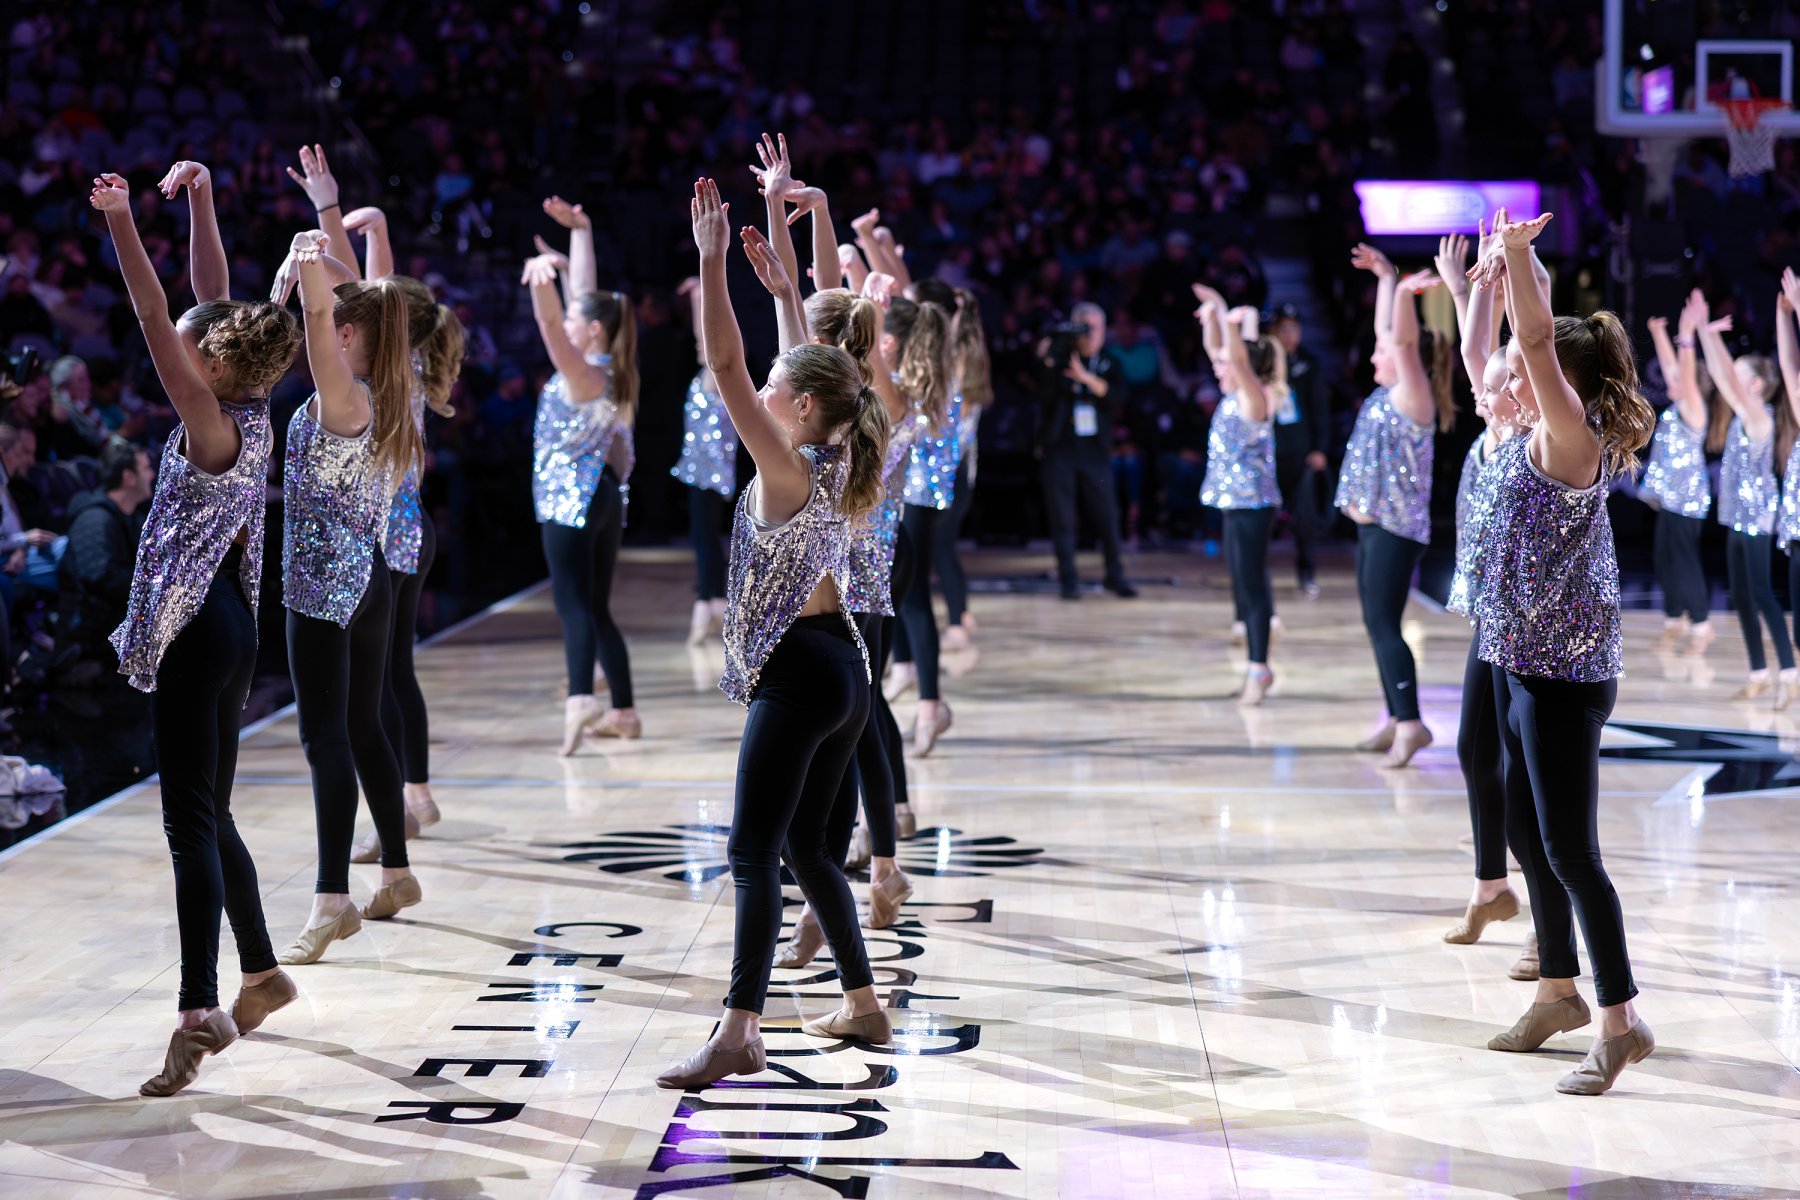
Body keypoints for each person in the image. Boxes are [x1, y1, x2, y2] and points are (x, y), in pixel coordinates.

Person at [657, 178, 891, 1090]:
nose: (762, 387)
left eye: (774, 387)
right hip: (843, 672)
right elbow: (817, 370)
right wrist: (788, 291)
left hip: (799, 676)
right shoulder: (837, 446)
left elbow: (724, 365)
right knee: (809, 848)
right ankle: (863, 1002)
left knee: (752, 854)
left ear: (795, 409)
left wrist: (712, 261)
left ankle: (739, 1032)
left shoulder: (789, 464)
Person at [91, 162, 302, 1097]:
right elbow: (207, 302)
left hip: (197, 628)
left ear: (210, 367)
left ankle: (196, 1008)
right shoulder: (251, 407)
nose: (180, 340)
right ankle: (262, 972)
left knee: (188, 825)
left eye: (190, 347)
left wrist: (121, 220)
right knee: (212, 815)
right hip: (231, 629)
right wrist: (204, 200)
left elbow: (153, 313)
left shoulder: (212, 422)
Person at [1466, 211, 1656, 1096]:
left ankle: (1621, 1020)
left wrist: (1520, 258)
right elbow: (1518, 344)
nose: (1506, 381)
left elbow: (1538, 342)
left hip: (1565, 675)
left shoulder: (1566, 440)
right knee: (1527, 835)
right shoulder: (1518, 432)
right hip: (1518, 658)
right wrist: (1500, 281)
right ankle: (1556, 991)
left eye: (1521, 376)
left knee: (1572, 851)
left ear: (1559, 390)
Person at [276, 234, 424, 965]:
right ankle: (396, 872)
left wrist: (308, 268)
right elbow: (363, 301)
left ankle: (331, 897)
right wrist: (314, 255)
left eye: (332, 323)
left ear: (344, 335)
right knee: (364, 726)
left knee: (325, 739)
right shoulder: (385, 388)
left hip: (324, 590)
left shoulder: (344, 394)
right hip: (368, 583)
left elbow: (317, 318)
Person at [1439, 220, 1534, 977]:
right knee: (1474, 749)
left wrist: (1516, 272)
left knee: (1528, 774)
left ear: (1519, 394)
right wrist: (1475, 287)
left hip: (1533, 627)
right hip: (1490, 614)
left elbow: (1512, 348)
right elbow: (1479, 351)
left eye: (1497, 382)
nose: (1482, 385)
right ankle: (1490, 887)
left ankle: (1550, 927)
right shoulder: (1494, 429)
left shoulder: (1536, 437)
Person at [521, 196, 640, 752]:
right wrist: (582, 231)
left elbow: (552, 320)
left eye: (577, 320)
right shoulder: (610, 366)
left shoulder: (580, 372)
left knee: (571, 605)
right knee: (596, 608)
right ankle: (625, 712)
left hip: (572, 500)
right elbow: (583, 301)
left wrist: (541, 281)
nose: (568, 321)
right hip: (606, 497)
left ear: (591, 331)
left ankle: (579, 699)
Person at [1337, 243, 1453, 767]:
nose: (1374, 355)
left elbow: (1400, 339)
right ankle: (1394, 715)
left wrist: (1404, 294)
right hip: (1373, 529)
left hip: (1395, 531)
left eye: (1381, 351)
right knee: (1376, 623)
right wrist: (1386, 278)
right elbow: (1390, 334)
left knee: (1385, 625)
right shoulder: (1388, 394)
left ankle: (1411, 723)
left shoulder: (1413, 395)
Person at [1691, 287, 1795, 704]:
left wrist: (1709, 332)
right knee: (1744, 598)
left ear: (1755, 384)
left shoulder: (1761, 417)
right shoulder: (1743, 412)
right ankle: (1758, 673)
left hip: (1759, 518)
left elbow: (1727, 380)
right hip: (1736, 516)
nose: (1731, 380)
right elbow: (1723, 379)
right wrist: (1705, 332)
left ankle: (1789, 672)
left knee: (1763, 595)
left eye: (1739, 375)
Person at [1194, 286, 1284, 705]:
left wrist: (1228, 318)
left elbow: (1237, 357)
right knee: (1242, 585)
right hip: (1234, 503)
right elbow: (1218, 349)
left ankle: (1259, 667)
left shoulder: (1255, 397)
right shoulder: (1236, 394)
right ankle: (1255, 665)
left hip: (1253, 505)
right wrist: (1215, 314)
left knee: (1252, 587)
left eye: (1226, 364)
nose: (1219, 367)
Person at [1036, 302, 1137, 601]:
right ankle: (1068, 579)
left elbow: (1117, 397)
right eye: (1085, 328)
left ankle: (1114, 575)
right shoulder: (1059, 360)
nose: (1090, 335)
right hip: (1060, 449)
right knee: (1063, 519)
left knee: (1107, 516)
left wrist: (1086, 378)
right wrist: (1047, 362)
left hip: (1096, 451)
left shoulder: (1110, 362)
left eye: (1096, 329)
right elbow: (1042, 397)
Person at [1641, 302, 1715, 652]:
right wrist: (1658, 333)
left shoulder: (1694, 409)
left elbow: (1681, 373)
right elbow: (1674, 370)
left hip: (1686, 500)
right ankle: (1674, 620)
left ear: (1690, 385)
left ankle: (1701, 624)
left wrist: (1686, 337)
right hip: (1669, 498)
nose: (1670, 380)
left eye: (1678, 380)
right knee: (1664, 557)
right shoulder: (1678, 405)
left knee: (1684, 561)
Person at [672, 277, 737, 646]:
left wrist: (701, 295)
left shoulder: (714, 377)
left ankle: (709, 601)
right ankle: (712, 599)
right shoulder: (706, 376)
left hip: (709, 473)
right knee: (706, 539)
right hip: (701, 471)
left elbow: (708, 335)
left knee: (705, 540)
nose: (699, 347)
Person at [1267, 303, 1330, 597]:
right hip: (1269, 451)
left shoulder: (1308, 363)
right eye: (1284, 329)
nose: (1290, 335)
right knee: (1264, 517)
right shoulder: (1264, 361)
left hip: (1300, 452)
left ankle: (1307, 574)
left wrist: (1319, 448)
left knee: (1305, 518)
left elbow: (1320, 410)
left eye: (1295, 329)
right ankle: (1256, 574)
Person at [65, 438, 153, 621]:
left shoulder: (134, 518)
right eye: (146, 468)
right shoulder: (95, 520)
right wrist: (154, 585)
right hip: (94, 629)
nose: (152, 474)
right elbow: (100, 576)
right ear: (129, 477)